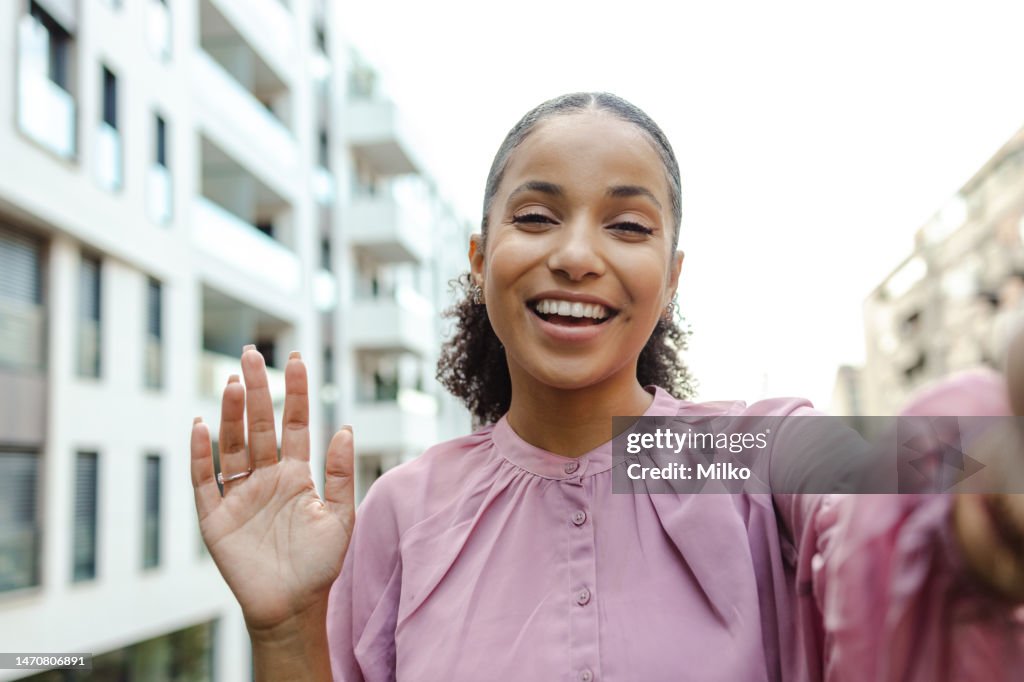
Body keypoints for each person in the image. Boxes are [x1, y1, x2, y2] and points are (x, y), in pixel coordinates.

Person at [191, 92, 1024, 681]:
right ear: (480, 261)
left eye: (628, 226)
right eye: (536, 217)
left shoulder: (739, 454)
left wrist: (981, 492)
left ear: (671, 276)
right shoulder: (405, 511)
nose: (578, 255)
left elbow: (899, 481)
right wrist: (288, 626)